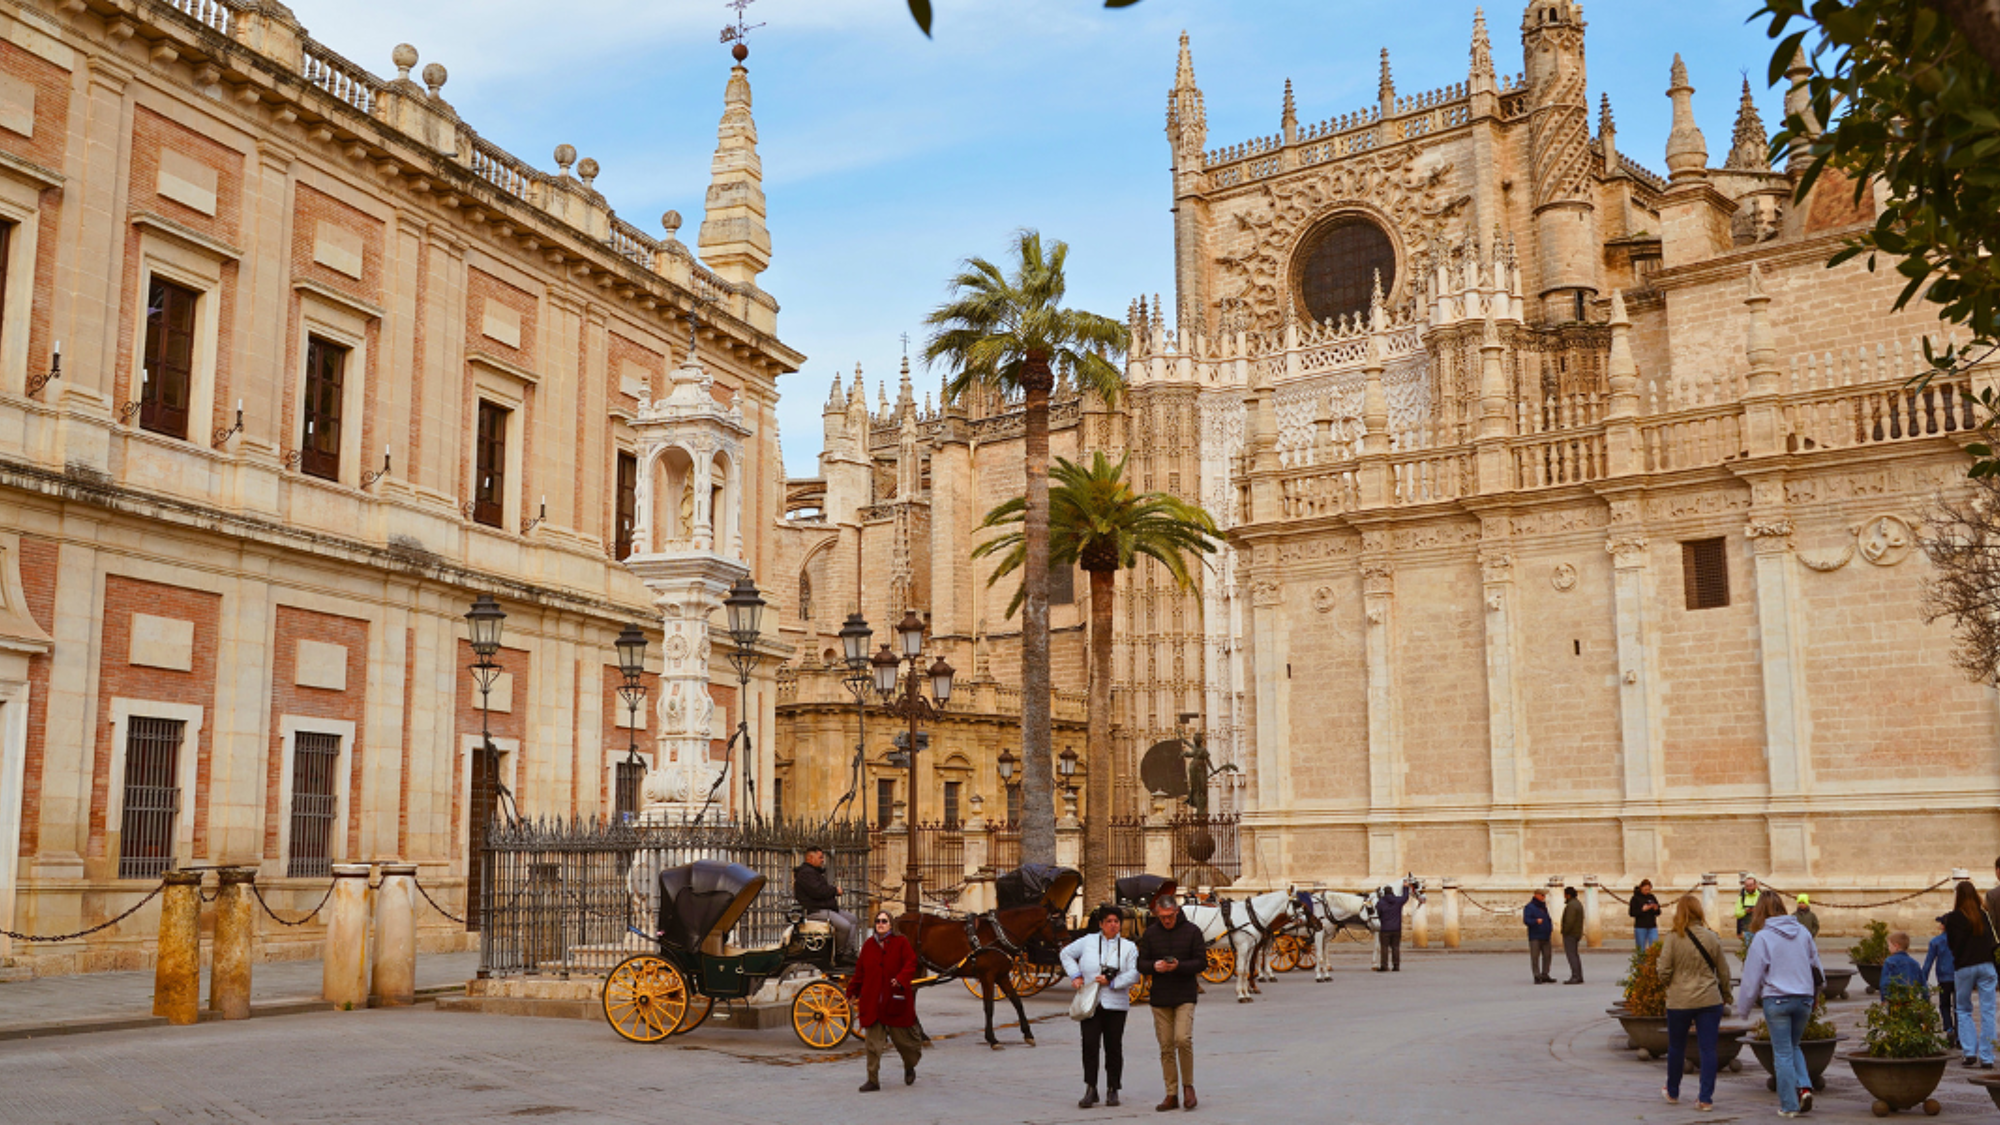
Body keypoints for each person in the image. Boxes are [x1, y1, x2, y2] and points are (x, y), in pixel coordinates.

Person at [1734, 892, 1823, 1117]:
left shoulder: (1762, 938)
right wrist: (1816, 994)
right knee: (1794, 1046)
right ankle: (1803, 1087)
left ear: (1760, 912)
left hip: (1777, 999)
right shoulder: (1803, 932)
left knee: (1782, 1052)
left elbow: (1752, 976)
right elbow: (1817, 968)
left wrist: (1743, 1008)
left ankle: (1789, 1105)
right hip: (1804, 997)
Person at [1657, 895, 1733, 1112]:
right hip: (1709, 999)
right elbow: (1723, 970)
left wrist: (1669, 984)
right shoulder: (1712, 937)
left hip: (1679, 1000)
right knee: (1708, 1048)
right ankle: (1705, 1098)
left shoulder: (1672, 938)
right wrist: (1726, 993)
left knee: (1676, 1047)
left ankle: (1672, 1091)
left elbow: (1663, 971)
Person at [1063, 905, 1141, 1109]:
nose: (1113, 925)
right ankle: (1091, 1088)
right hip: (1091, 1002)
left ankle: (1113, 1088)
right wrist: (1076, 975)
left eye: (1117, 921)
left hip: (1116, 1003)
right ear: (1101, 924)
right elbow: (1066, 954)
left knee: (1113, 1046)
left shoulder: (1128, 947)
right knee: (1089, 1045)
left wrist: (1113, 982)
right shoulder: (1088, 941)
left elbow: (1134, 974)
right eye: (1109, 921)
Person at [1136, 890, 1206, 1111]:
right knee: (1166, 1046)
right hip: (1160, 997)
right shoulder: (1150, 934)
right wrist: (1154, 967)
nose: (1167, 921)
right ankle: (1171, 1093)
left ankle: (1188, 1087)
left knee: (1182, 1039)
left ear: (1176, 912)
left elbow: (1202, 962)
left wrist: (1179, 966)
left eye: (1170, 916)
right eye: (1162, 917)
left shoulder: (1192, 932)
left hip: (1185, 994)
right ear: (1157, 915)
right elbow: (1141, 963)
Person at [849, 910, 921, 1092]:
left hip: (894, 1001)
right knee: (873, 1045)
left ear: (891, 925)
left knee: (905, 1043)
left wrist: (901, 978)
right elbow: (860, 972)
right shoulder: (868, 945)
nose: (880, 924)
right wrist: (853, 991)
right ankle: (872, 1080)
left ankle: (909, 1065)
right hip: (873, 1002)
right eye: (878, 921)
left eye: (884, 921)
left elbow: (911, 962)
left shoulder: (901, 942)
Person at [1945, 879, 1998, 1069]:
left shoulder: (1953, 918)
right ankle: (1987, 1056)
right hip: (1986, 965)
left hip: (1965, 966)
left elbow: (1952, 946)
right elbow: (1993, 942)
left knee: (1963, 1009)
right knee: (1988, 1011)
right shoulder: (1983, 915)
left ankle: (1969, 1052)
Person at [793, 846, 858, 961]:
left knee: (852, 919)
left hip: (825, 909)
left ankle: (849, 952)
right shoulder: (805, 874)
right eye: (820, 857)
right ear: (810, 858)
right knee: (844, 926)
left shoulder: (813, 872)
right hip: (815, 910)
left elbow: (821, 889)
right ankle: (839, 954)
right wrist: (835, 891)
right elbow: (818, 892)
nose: (822, 860)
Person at [1374, 879, 1421, 972]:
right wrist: (1405, 887)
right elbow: (1405, 897)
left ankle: (1384, 965)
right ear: (1392, 892)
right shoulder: (1397, 901)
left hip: (1385, 929)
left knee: (1384, 948)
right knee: (1395, 947)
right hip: (1396, 928)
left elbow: (1378, 913)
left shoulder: (1381, 903)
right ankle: (1396, 966)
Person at [1924, 914, 1958, 1043]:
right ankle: (1959, 1033)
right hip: (1958, 976)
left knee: (1944, 1004)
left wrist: (1923, 978)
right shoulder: (1958, 940)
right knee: (1958, 1006)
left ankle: (1948, 1028)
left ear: (1944, 926)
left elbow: (1928, 962)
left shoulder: (1936, 941)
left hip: (1943, 977)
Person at [1880, 932, 1927, 997]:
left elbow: (1885, 982)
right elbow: (1923, 983)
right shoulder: (1914, 963)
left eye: (1889, 945)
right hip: (1911, 998)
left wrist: (1884, 997)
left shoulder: (1889, 962)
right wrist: (1925, 998)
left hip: (1895, 998)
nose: (1888, 948)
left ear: (1896, 946)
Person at [1524, 888, 1554, 984]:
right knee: (1535, 957)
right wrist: (1535, 921)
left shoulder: (1543, 907)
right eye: (1542, 895)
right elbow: (1526, 920)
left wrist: (1550, 929)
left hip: (1545, 935)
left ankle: (1545, 974)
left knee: (1547, 956)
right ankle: (1537, 975)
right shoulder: (1529, 907)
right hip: (1535, 936)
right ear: (1536, 895)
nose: (1543, 897)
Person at [1560, 886, 1586, 985]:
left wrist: (1564, 931)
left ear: (1568, 895)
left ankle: (1575, 976)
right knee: (1575, 955)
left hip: (1571, 933)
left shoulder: (1571, 905)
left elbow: (1569, 921)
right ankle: (1578, 975)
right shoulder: (1577, 904)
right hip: (1576, 932)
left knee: (1571, 955)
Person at [1629, 879, 1663, 952]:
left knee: (1654, 946)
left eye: (1648, 889)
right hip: (1640, 926)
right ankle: (1640, 963)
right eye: (1645, 889)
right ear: (1641, 888)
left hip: (1652, 926)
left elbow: (1658, 912)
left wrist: (1655, 909)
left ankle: (1653, 962)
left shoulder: (1652, 897)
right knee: (1641, 948)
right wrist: (1642, 910)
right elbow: (1632, 913)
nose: (1647, 891)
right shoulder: (1635, 898)